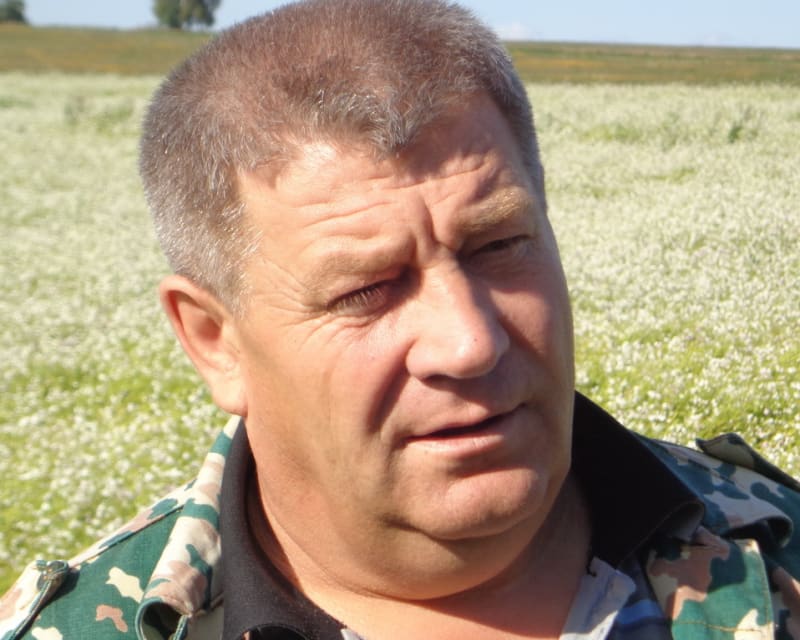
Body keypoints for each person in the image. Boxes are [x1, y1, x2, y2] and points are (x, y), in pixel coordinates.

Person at [2, 0, 799, 638]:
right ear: (215, 343)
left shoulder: (777, 550)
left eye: (500, 245)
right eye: (365, 290)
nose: (470, 341)